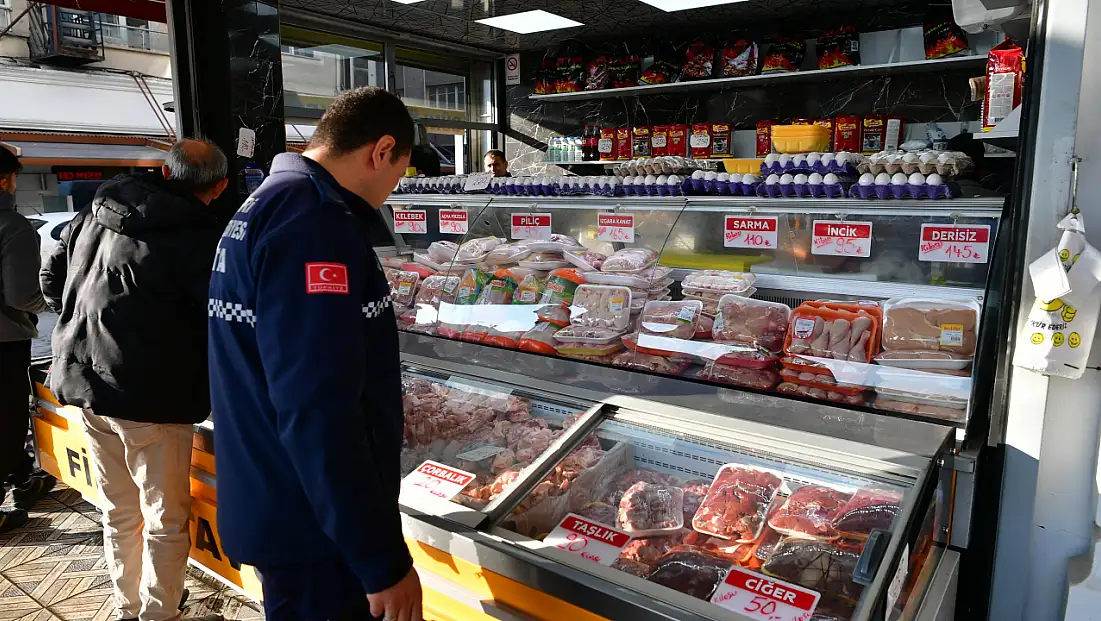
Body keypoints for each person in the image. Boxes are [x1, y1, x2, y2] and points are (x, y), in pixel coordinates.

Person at [208, 86, 422, 621]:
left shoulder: (270, 201)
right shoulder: (314, 226)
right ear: (381, 151)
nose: (392, 191)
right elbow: (317, 410)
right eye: (399, 172)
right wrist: (380, 560)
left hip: (284, 503)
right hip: (314, 529)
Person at [41, 139, 229, 621]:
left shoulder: (99, 207)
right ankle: (157, 614)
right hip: (152, 398)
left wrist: (78, 324)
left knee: (119, 511)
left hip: (84, 382)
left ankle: (130, 608)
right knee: (165, 519)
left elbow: (50, 276)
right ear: (221, 186)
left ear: (165, 173)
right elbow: (220, 316)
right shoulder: (196, 236)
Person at [0, 146, 55, 534]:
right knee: (7, 421)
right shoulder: (12, 225)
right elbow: (22, 295)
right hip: (3, 343)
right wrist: (55, 304)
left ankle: (24, 478)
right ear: (5, 180)